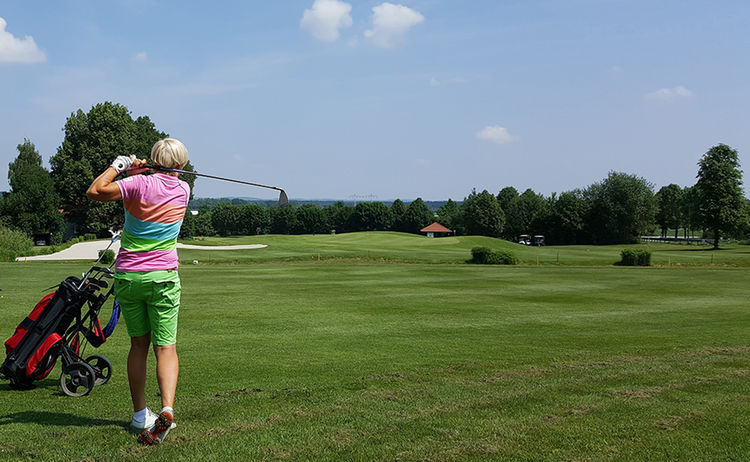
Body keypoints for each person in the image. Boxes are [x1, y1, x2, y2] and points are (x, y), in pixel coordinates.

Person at [86, 138, 190, 445]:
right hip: (164, 278)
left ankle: (139, 414)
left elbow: (96, 190)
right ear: (181, 166)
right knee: (166, 348)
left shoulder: (137, 185)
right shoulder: (184, 191)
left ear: (154, 160)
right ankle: (167, 409)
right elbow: (155, 186)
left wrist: (121, 166)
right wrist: (140, 173)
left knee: (138, 345)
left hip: (130, 278)